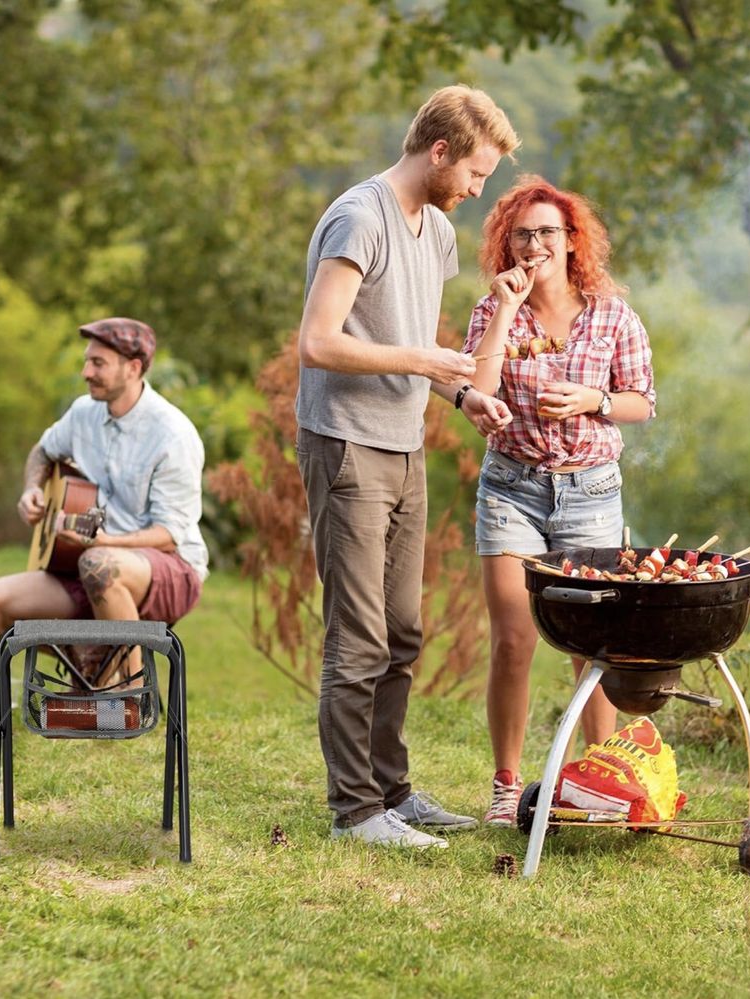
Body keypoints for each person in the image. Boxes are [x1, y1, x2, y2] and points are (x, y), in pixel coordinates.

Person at [295, 85, 518, 849]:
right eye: (475, 174)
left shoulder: (437, 232)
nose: (476, 190)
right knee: (355, 634)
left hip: (403, 442)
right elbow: (319, 342)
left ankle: (391, 791)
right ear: (439, 151)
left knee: (401, 629)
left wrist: (458, 394)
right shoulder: (360, 217)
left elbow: (409, 341)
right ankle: (354, 810)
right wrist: (424, 358)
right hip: (345, 440)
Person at [460, 175, 656, 826]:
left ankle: (594, 782)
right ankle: (505, 785)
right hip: (511, 485)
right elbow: (476, 391)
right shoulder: (493, 308)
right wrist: (507, 309)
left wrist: (591, 399)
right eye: (523, 234)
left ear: (572, 241)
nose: (535, 243)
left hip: (591, 488)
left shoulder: (610, 312)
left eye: (547, 232)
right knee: (514, 638)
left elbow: (640, 401)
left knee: (591, 645)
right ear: (506, 243)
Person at [0, 318, 208, 686]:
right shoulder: (84, 412)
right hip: (84, 562)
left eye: (98, 364)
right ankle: (89, 657)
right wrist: (31, 490)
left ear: (133, 368)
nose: (86, 372)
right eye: (87, 361)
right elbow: (43, 451)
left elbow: (169, 535)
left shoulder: (173, 435)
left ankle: (128, 695)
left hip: (167, 570)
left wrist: (106, 543)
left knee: (100, 565)